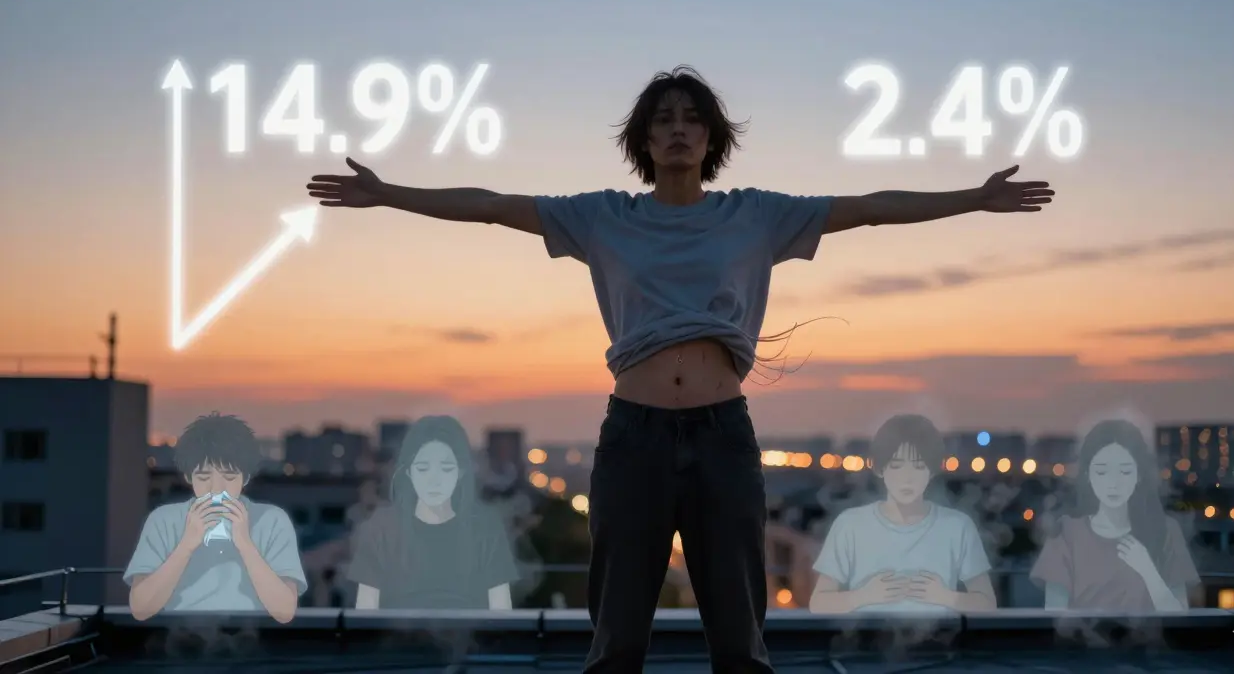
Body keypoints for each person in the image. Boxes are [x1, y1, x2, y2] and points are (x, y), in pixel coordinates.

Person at [308, 66, 1055, 672]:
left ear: (711, 137)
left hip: (723, 435)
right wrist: (386, 194)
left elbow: (868, 208)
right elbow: (493, 206)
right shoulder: (605, 216)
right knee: (616, 642)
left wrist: (976, 199)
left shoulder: (755, 214)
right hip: (632, 437)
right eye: (662, 118)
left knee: (739, 640)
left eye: (689, 118)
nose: (676, 129)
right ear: (642, 139)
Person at [123, 413, 306, 622]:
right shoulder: (164, 521)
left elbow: (284, 612)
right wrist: (186, 546)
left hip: (255, 642)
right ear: (188, 476)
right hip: (175, 641)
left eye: (229, 477)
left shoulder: (272, 521)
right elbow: (141, 608)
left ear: (245, 477)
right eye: (203, 477)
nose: (216, 489)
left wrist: (245, 544)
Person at [810, 414, 995, 614]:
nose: (907, 478)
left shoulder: (957, 526)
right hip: (863, 643)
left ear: (932, 471)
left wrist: (946, 597)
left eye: (918, 466)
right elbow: (818, 603)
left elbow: (987, 604)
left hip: (943, 642)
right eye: (897, 465)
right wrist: (863, 596)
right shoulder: (850, 524)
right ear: (880, 469)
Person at [347, 416, 519, 609]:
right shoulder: (380, 529)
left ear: (461, 472)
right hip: (393, 638)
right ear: (409, 472)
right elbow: (365, 613)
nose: (434, 480)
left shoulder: (486, 529)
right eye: (423, 468)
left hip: (472, 637)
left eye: (445, 468)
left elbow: (502, 613)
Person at [1031, 419, 1199, 612]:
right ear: (1087, 475)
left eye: (1125, 471)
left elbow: (1180, 616)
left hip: (1152, 642)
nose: (1114, 483)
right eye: (1102, 472)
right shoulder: (1066, 534)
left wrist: (1148, 571)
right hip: (1079, 641)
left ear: (1139, 475)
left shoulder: (1165, 530)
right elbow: (1054, 616)